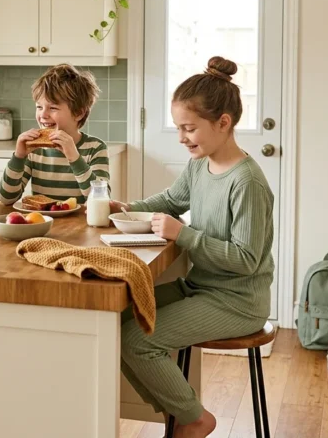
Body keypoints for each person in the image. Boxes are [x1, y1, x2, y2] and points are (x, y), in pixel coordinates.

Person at [106, 56, 275, 438]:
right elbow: (171, 199)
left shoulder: (246, 182)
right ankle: (178, 413)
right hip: (201, 288)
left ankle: (194, 418)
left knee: (136, 341)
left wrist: (183, 234)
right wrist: (129, 208)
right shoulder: (201, 165)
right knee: (112, 320)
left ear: (223, 123)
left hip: (237, 301)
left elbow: (246, 261)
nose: (182, 138)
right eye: (179, 127)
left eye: (189, 128)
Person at [0, 64, 109, 204]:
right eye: (39, 107)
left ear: (79, 113)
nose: (43, 115)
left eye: (53, 108)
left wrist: (74, 157)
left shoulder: (95, 148)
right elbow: (6, 199)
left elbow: (102, 200)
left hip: (81, 224)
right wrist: (19, 157)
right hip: (42, 222)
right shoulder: (34, 150)